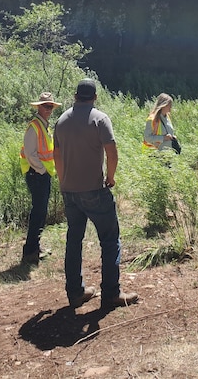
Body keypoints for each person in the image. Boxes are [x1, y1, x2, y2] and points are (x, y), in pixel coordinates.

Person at [53, 78, 138, 311]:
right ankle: (111, 293)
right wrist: (110, 177)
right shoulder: (100, 118)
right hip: (94, 190)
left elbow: (56, 156)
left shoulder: (60, 121)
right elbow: (112, 151)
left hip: (69, 191)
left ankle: (76, 292)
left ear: (75, 95)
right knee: (110, 240)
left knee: (74, 241)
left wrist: (63, 181)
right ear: (95, 97)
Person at [20, 91, 61, 265]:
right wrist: (42, 170)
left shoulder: (44, 125)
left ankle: (35, 248)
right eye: (45, 106)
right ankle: (30, 251)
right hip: (36, 174)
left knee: (40, 212)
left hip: (41, 174)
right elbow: (30, 153)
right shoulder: (34, 126)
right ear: (38, 107)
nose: (48, 109)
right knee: (38, 213)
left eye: (50, 106)